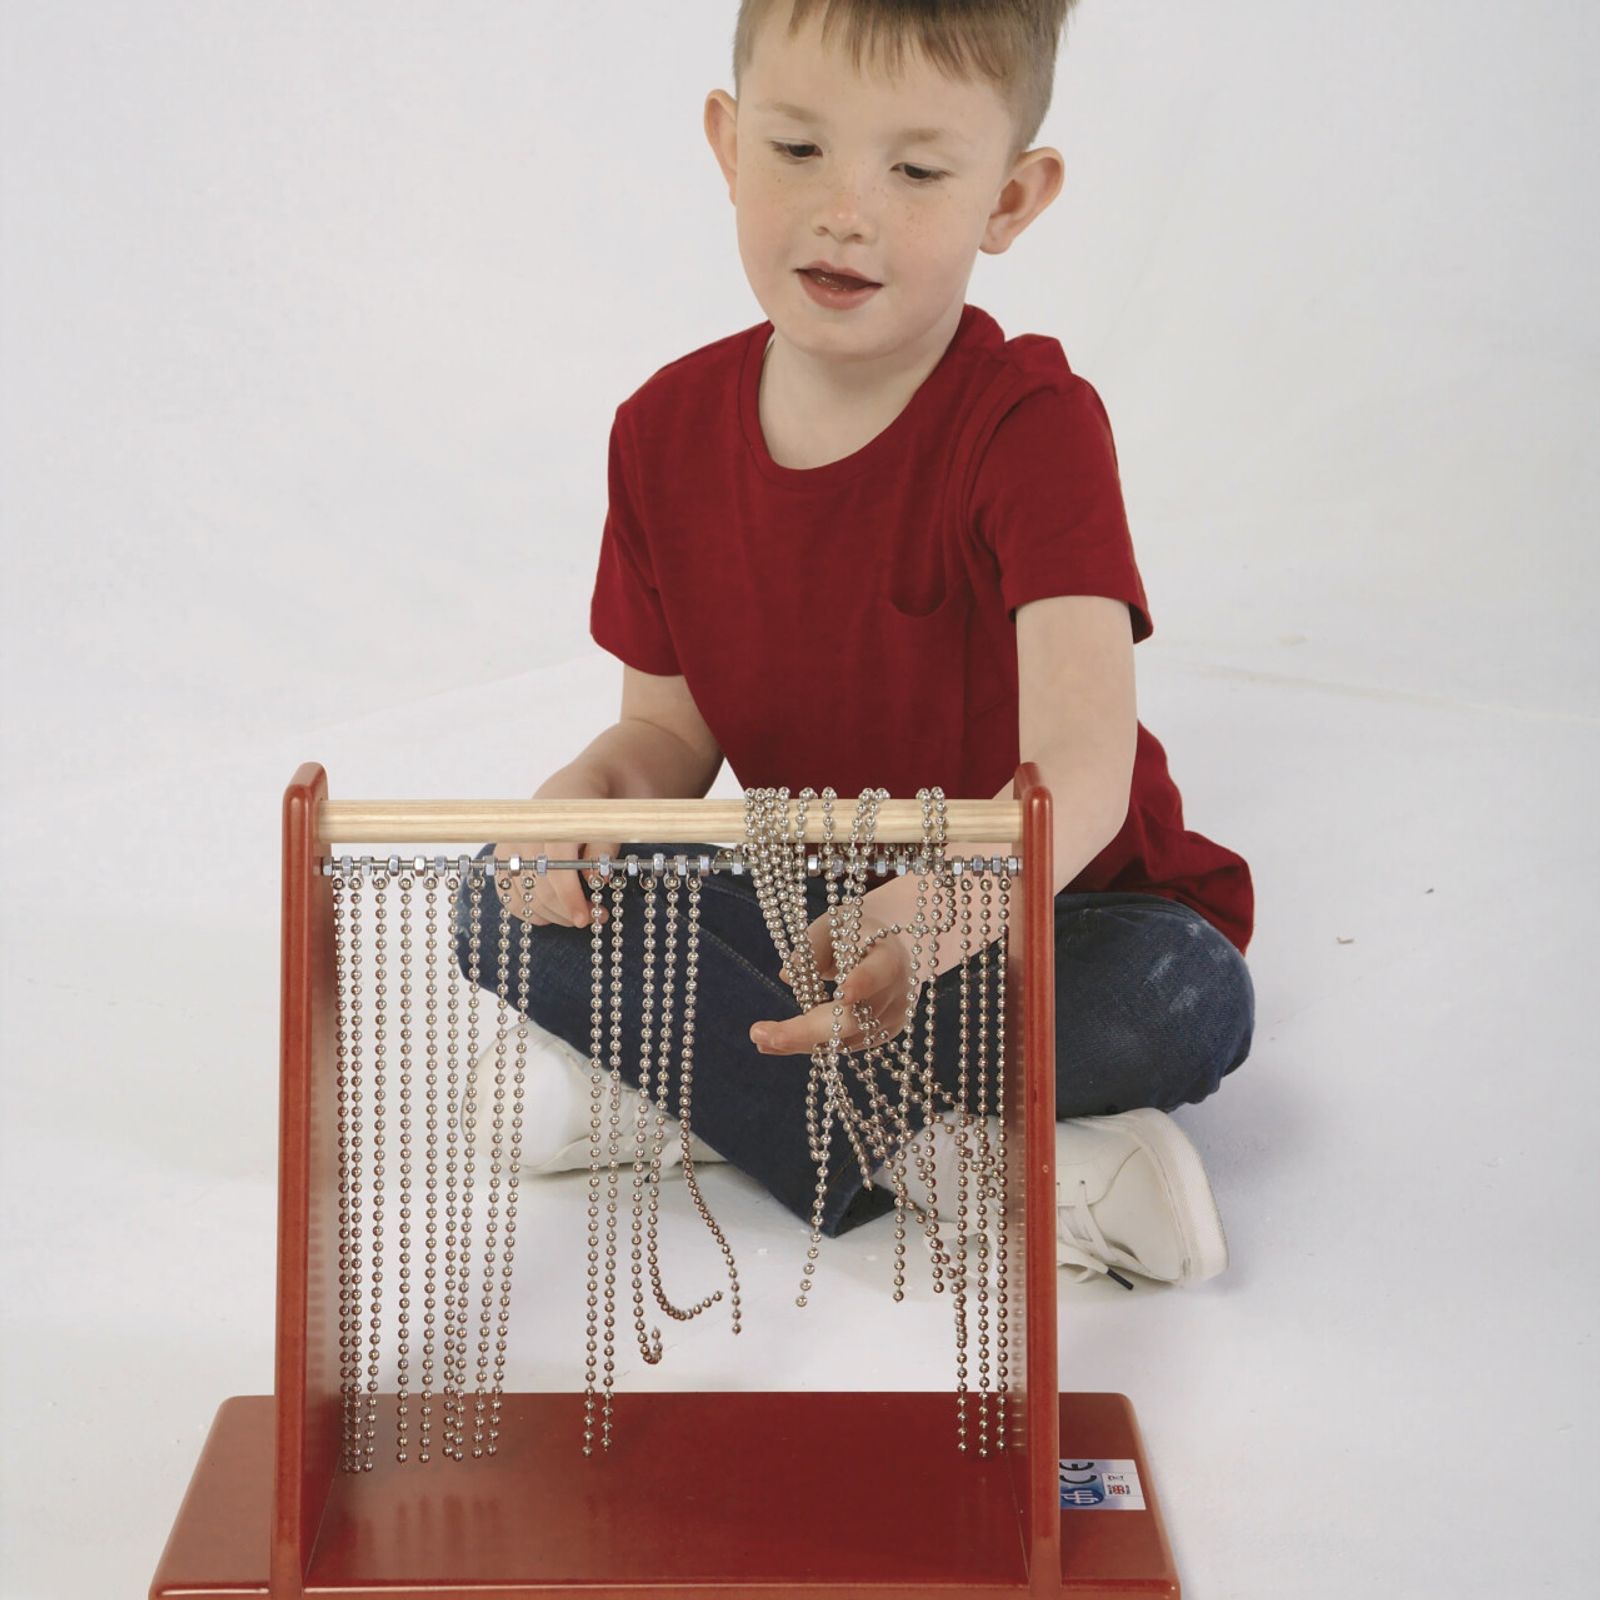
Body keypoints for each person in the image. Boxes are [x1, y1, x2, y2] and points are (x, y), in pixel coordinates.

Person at [455, 0, 1256, 1288]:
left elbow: (1085, 762)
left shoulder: (1032, 425)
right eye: (797, 151)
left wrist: (948, 910)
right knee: (493, 903)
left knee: (1182, 994)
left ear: (1011, 198)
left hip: (1043, 911)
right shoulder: (662, 431)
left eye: (919, 171)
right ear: (726, 144)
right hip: (807, 913)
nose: (845, 210)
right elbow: (664, 732)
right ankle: (969, 1165)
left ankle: (691, 1106)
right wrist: (584, 807)